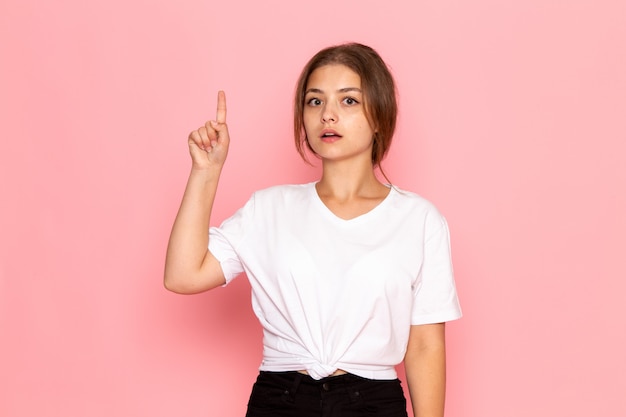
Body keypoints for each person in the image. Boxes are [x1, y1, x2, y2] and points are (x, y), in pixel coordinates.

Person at [164, 43, 462, 417]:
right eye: (315, 101)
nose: (328, 116)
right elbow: (182, 274)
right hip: (281, 399)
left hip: (373, 403)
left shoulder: (419, 219)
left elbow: (424, 346)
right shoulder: (268, 209)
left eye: (348, 101)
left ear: (380, 116)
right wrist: (205, 173)